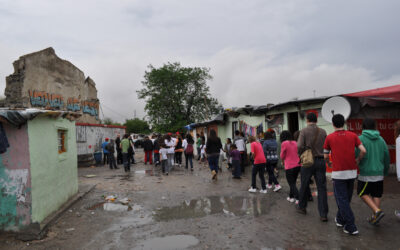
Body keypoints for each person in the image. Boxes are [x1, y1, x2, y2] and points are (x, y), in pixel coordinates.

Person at [324, 114, 366, 235]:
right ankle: (340, 219)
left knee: (342, 199)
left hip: (338, 173)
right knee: (346, 198)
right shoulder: (353, 135)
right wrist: (358, 160)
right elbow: (363, 150)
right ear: (344, 123)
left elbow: (326, 155)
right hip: (352, 172)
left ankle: (351, 226)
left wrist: (329, 163)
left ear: (332, 124)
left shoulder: (330, 137)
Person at [356, 118, 389, 226]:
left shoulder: (360, 139)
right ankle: (375, 216)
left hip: (366, 172)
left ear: (363, 126)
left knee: (362, 193)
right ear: (375, 126)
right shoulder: (381, 139)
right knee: (376, 194)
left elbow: (356, 154)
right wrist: (385, 170)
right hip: (379, 172)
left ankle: (377, 211)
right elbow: (386, 156)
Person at [296, 112, 329, 222]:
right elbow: (327, 147)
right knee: (322, 187)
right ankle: (323, 214)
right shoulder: (323, 131)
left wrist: (301, 154)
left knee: (304, 184)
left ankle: (302, 207)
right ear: (317, 120)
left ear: (307, 120)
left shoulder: (304, 131)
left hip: (307, 161)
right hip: (320, 161)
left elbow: (299, 145)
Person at [280, 130, 300, 203]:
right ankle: (291, 197)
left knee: (291, 183)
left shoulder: (284, 143)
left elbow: (282, 155)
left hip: (289, 166)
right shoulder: (295, 142)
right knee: (293, 182)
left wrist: (282, 161)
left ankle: (298, 198)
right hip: (298, 165)